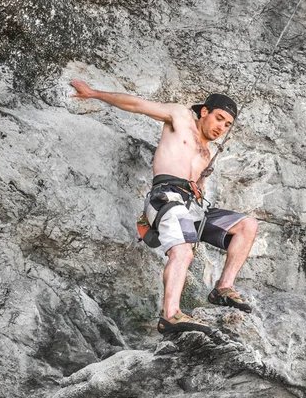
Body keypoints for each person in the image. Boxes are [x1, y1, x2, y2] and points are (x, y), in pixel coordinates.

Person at [70, 80, 258, 334]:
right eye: (219, 119)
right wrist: (93, 93)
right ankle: (170, 315)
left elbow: (198, 189)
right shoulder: (180, 118)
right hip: (167, 197)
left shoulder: (206, 153)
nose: (221, 128)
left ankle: (223, 287)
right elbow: (137, 105)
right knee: (183, 252)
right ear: (204, 111)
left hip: (194, 207)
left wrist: (201, 183)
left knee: (248, 225)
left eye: (227, 125)